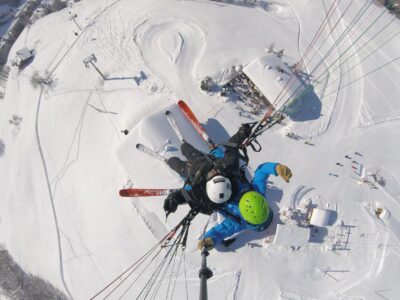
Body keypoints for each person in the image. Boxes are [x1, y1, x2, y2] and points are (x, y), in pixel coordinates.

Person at [197, 162, 292, 251]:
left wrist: (209, 239)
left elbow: (220, 232)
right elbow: (262, 171)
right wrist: (276, 167)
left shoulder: (239, 222)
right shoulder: (257, 193)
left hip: (216, 188)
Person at [163, 124, 252, 215]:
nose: (215, 171)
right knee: (186, 148)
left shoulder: (200, 196)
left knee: (174, 162)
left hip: (190, 169)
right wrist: (241, 134)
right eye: (219, 173)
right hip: (203, 159)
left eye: (212, 175)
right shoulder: (230, 168)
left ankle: (167, 160)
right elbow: (231, 146)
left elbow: (183, 194)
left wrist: (173, 199)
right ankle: (183, 144)